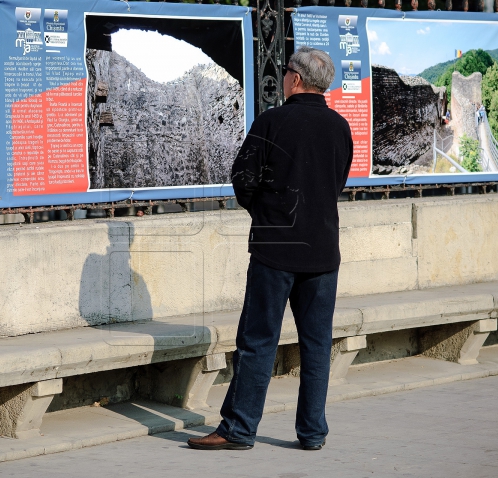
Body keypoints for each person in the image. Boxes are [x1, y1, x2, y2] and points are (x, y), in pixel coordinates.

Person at [187, 46, 353, 452]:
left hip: (276, 249)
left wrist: (265, 212)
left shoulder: (273, 121)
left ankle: (239, 430)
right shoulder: (339, 126)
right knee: (317, 345)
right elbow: (338, 182)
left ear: (295, 79)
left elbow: (242, 179)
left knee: (259, 340)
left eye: (285, 74)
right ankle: (312, 433)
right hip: (322, 251)